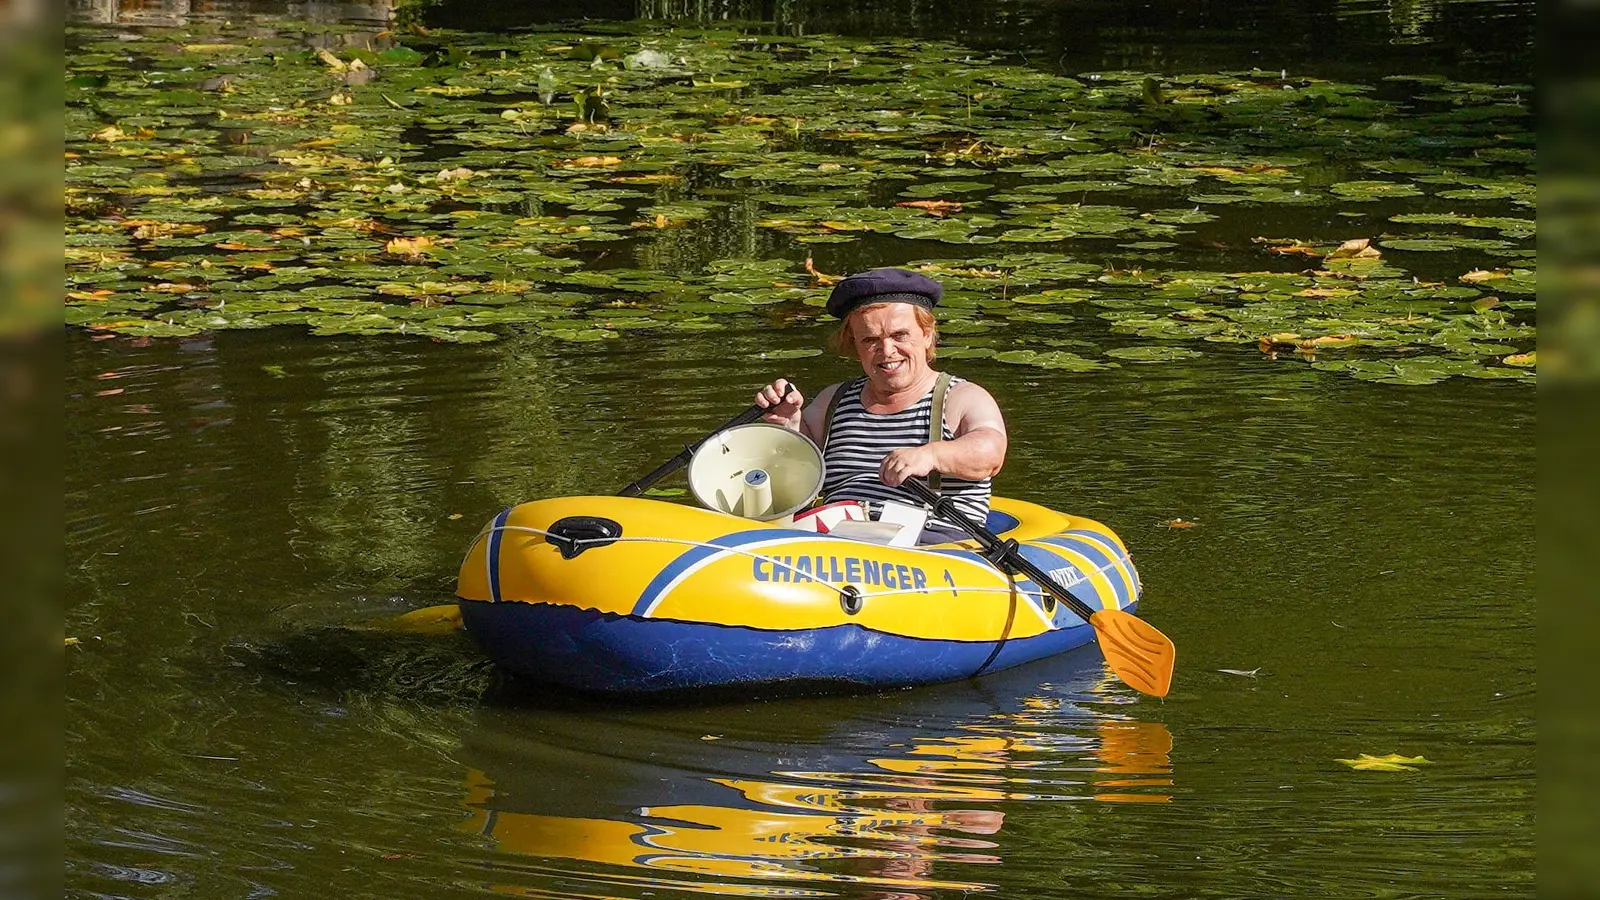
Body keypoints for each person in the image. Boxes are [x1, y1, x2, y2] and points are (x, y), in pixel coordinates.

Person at [755, 267, 1008, 544]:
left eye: (900, 335)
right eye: (870, 340)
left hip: (932, 545)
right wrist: (786, 421)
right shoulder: (833, 401)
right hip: (835, 542)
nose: (887, 351)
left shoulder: (961, 397)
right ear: (854, 344)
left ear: (927, 334)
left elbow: (991, 453)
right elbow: (793, 472)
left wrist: (932, 455)